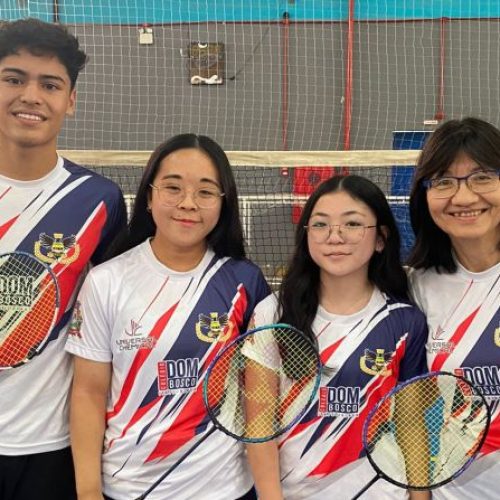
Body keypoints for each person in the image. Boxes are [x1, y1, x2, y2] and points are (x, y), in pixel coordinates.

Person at [66, 133, 270, 500]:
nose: (188, 203)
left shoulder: (246, 283)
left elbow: (259, 393)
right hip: (129, 487)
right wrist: (88, 491)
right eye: (172, 187)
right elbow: (88, 392)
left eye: (206, 192)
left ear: (224, 203)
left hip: (224, 489)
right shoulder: (106, 281)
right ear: (149, 196)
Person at [0, 18, 127, 500]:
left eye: (49, 84)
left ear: (69, 101)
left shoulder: (100, 201)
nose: (31, 95)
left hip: (50, 446)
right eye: (14, 78)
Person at [246, 175, 429, 500]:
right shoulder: (272, 313)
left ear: (380, 239)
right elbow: (260, 425)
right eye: (320, 225)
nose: (335, 237)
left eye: (353, 224)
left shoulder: (406, 322)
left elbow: (411, 427)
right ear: (306, 236)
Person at [407, 117, 500, 500]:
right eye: (444, 181)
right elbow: (410, 410)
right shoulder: (414, 288)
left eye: (482, 177)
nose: (463, 198)